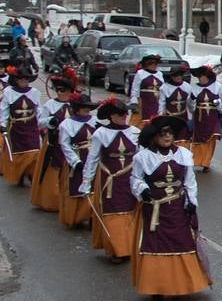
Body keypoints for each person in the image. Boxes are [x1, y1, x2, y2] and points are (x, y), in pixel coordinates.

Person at [129, 116, 211, 297]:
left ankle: (182, 285)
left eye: (170, 133)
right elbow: (135, 179)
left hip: (178, 208)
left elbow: (190, 182)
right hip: (155, 210)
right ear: (154, 136)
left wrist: (192, 203)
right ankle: (157, 286)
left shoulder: (184, 154)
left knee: (181, 241)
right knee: (156, 244)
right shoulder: (142, 157)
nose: (167, 136)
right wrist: (142, 190)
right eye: (163, 133)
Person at [81, 98, 141, 262]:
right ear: (111, 116)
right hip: (110, 181)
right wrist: (86, 183)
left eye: (126, 113)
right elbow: (92, 159)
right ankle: (117, 249)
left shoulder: (135, 132)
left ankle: (128, 247)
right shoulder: (100, 134)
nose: (124, 116)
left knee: (130, 211)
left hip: (130, 179)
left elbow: (142, 158)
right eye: (120, 114)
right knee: (114, 213)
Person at [30, 75, 78, 212]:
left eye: (65, 90)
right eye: (59, 90)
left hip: (72, 144)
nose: (61, 93)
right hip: (54, 141)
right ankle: (51, 200)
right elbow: (40, 122)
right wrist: (50, 121)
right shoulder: (50, 104)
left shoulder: (75, 105)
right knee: (52, 169)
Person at [57, 97, 98, 230]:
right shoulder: (67, 124)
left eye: (88, 106)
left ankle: (93, 216)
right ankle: (77, 216)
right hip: (78, 158)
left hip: (93, 158)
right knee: (77, 186)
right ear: (76, 108)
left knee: (94, 187)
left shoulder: (95, 121)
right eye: (83, 106)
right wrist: (75, 162)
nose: (87, 109)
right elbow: (65, 145)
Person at [0, 66, 42, 187]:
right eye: (21, 79)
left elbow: (39, 110)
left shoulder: (35, 93)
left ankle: (32, 174)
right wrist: (2, 124)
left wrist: (42, 124)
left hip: (32, 127)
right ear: (16, 80)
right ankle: (20, 174)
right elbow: (4, 110)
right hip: (17, 129)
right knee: (20, 154)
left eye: (26, 79)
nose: (23, 81)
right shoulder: (9, 93)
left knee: (34, 152)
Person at [188, 64, 222, 171]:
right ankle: (197, 160)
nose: (200, 78)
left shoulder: (217, 86)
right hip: (200, 118)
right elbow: (190, 106)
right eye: (199, 76)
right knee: (199, 140)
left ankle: (206, 163)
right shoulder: (194, 88)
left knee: (211, 140)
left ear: (207, 76)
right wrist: (191, 100)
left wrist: (218, 104)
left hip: (212, 118)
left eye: (202, 76)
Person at [159, 65, 193, 145]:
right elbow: (162, 102)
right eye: (175, 75)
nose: (178, 77)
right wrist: (161, 115)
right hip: (170, 118)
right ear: (171, 76)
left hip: (183, 118)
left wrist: (192, 115)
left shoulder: (187, 86)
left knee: (183, 139)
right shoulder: (165, 87)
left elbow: (190, 103)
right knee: (171, 139)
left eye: (180, 75)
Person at [128, 54, 165, 127]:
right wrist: (134, 102)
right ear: (146, 64)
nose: (154, 65)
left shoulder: (160, 74)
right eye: (151, 63)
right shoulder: (140, 73)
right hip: (144, 103)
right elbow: (135, 90)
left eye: (155, 63)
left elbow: (163, 89)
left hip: (156, 102)